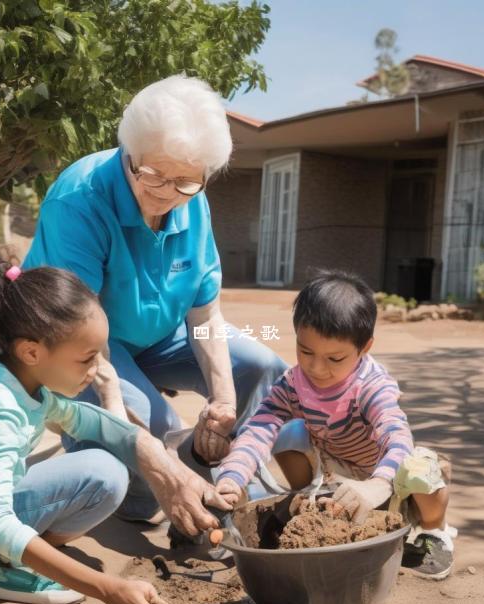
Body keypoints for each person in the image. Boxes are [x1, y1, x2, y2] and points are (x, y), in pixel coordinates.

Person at [23, 75, 288, 521]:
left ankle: (241, 480)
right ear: (129, 153)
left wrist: (223, 401)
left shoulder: (192, 201)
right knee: (159, 435)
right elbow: (79, 335)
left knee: (263, 367)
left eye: (186, 182)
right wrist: (160, 450)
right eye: (153, 176)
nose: (168, 194)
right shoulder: (79, 201)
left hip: (160, 336)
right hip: (83, 344)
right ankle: (149, 488)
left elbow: (205, 313)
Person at [0, 254, 230, 604]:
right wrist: (107, 589)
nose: (97, 369)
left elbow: (89, 422)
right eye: (87, 358)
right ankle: (10, 568)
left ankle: (21, 555)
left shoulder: (20, 380)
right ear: (32, 351)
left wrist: (168, 466)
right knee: (101, 473)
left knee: (108, 471)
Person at [215, 269, 455, 580]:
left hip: (387, 483)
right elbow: (260, 427)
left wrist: (376, 486)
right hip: (337, 475)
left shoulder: (371, 386)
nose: (316, 368)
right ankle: (307, 503)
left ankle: (435, 532)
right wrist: (232, 477)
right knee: (289, 431)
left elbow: (398, 439)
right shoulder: (293, 383)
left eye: (335, 359)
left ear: (364, 347)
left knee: (420, 467)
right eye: (305, 351)